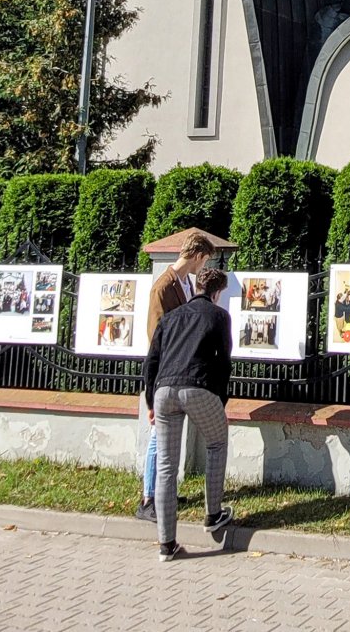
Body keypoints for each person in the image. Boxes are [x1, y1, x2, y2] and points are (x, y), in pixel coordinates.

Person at [144, 268, 235, 561]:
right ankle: (213, 514)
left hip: (163, 391)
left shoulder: (170, 317)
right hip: (198, 387)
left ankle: (166, 545)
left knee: (167, 466)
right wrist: (220, 398)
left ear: (196, 286)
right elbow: (224, 361)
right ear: (217, 292)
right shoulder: (219, 316)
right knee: (217, 442)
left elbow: (152, 360)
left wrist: (149, 401)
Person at [136, 231, 215, 521]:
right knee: (158, 437)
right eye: (204, 261)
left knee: (169, 438)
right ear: (195, 256)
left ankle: (164, 492)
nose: (203, 268)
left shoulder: (186, 283)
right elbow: (155, 337)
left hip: (181, 370)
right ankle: (147, 499)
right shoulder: (163, 287)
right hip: (166, 372)